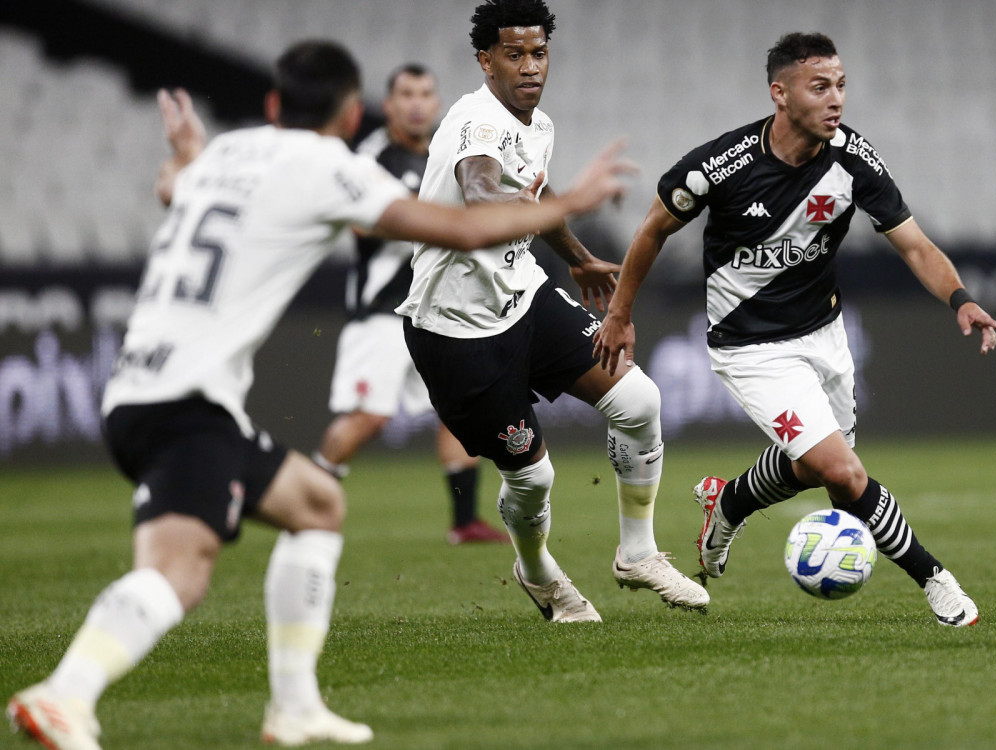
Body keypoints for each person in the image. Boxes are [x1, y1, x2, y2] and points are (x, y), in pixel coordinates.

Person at [6, 39, 634, 750]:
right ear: (347, 115)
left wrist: (187, 153)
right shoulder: (331, 164)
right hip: (186, 402)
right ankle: (64, 695)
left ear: (273, 105)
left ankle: (296, 708)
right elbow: (458, 226)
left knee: (316, 503)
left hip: (139, 388)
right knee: (178, 575)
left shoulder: (227, 152)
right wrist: (574, 203)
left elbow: (170, 190)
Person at [593, 32, 996, 627]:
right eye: (820, 87)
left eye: (840, 86)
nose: (836, 99)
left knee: (822, 472)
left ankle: (727, 500)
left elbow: (914, 244)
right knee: (843, 473)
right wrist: (620, 314)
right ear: (779, 94)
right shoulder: (721, 164)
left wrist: (960, 299)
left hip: (825, 337)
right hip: (751, 346)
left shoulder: (853, 159)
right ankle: (937, 581)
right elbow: (653, 228)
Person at [398, 0, 709, 623]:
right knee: (533, 480)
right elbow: (488, 202)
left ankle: (637, 552)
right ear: (485, 61)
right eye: (513, 54)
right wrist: (571, 201)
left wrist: (578, 255)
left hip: (525, 296)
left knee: (640, 402)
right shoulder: (476, 124)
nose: (530, 66)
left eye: (538, 52)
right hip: (458, 331)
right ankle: (538, 572)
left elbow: (529, 197)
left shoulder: (535, 123)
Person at [313, 63, 507, 545]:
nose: (417, 102)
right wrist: (432, 217)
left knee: (458, 411)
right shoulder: (373, 155)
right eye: (406, 94)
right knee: (370, 419)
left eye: (425, 93)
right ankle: (310, 498)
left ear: (438, 104)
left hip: (435, 310)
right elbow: (361, 222)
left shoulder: (445, 154)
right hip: (380, 312)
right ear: (390, 104)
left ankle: (464, 522)